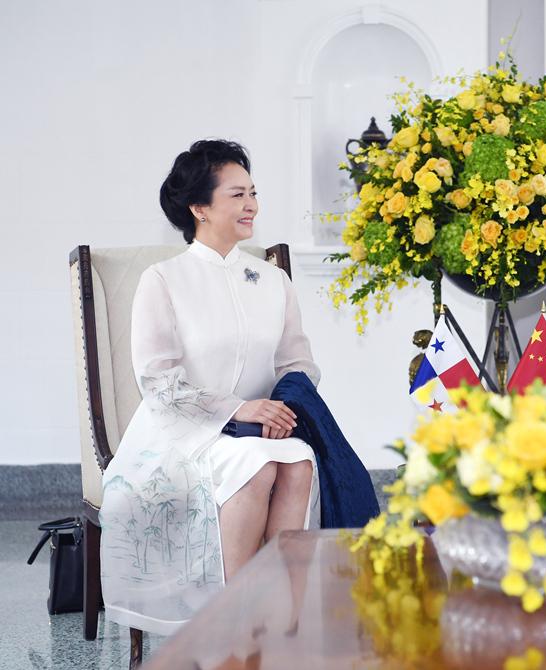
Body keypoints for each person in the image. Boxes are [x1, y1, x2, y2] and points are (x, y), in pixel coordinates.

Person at [100, 140, 323, 635]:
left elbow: (298, 363)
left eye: (253, 193)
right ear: (199, 208)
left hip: (261, 430)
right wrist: (239, 410)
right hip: (179, 433)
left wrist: (280, 410)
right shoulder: (164, 279)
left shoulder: (273, 281)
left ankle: (281, 619)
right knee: (257, 462)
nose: (251, 205)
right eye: (237, 195)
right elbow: (157, 379)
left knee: (299, 460)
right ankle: (236, 624)